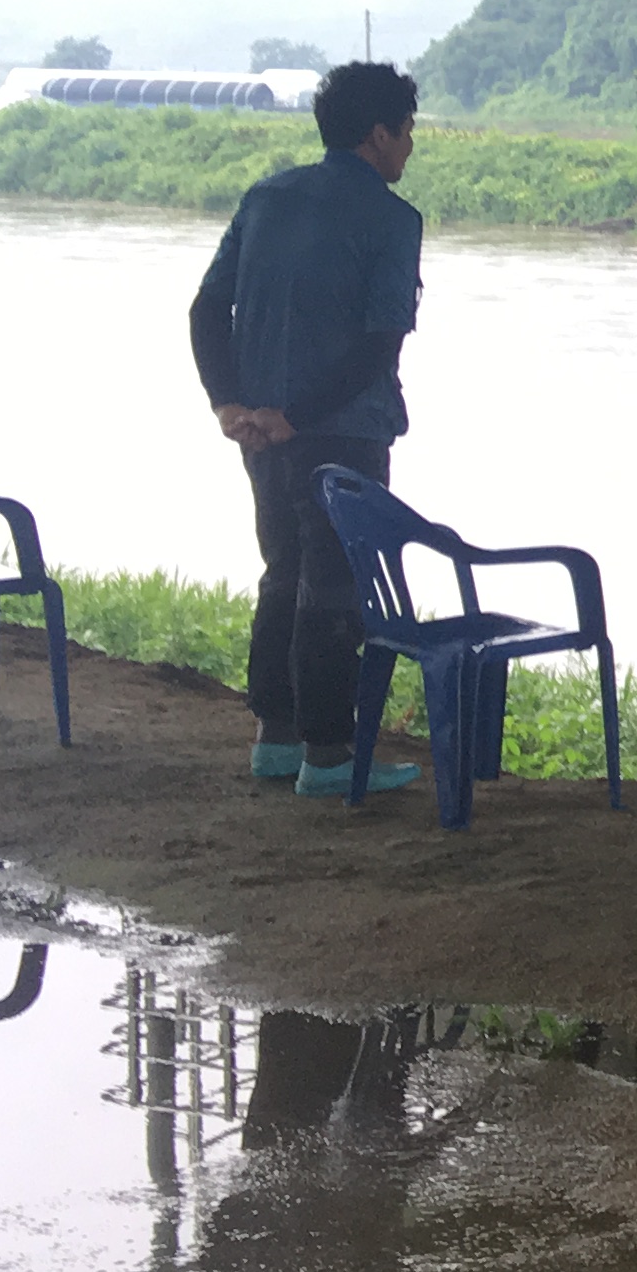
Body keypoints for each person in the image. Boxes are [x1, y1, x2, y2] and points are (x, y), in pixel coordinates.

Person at [188, 60, 427, 798]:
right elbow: (379, 343)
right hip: (341, 435)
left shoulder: (266, 198)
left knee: (284, 570)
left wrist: (230, 405)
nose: (409, 146)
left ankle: (276, 738)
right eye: (406, 131)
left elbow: (206, 310)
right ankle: (328, 755)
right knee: (334, 588)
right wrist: (298, 417)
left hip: (260, 436)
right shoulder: (392, 219)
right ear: (377, 135)